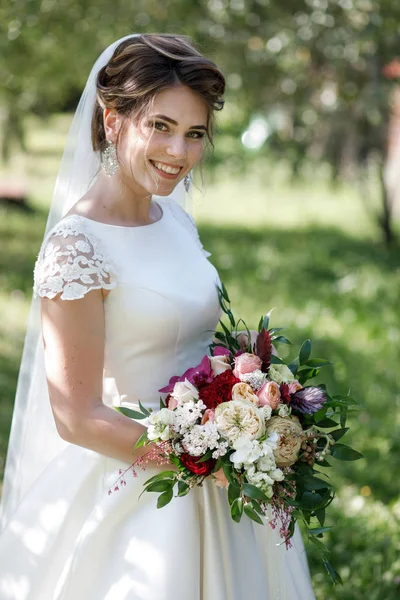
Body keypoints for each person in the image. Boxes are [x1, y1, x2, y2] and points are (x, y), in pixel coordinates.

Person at [0, 34, 316, 599]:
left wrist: (250, 383)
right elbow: (75, 416)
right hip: (141, 491)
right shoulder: (76, 249)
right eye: (161, 127)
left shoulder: (174, 219)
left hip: (223, 471)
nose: (179, 152)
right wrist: (202, 458)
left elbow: (188, 334)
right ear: (114, 118)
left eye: (195, 134)